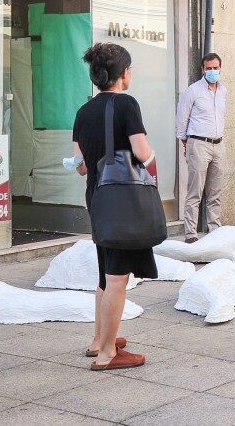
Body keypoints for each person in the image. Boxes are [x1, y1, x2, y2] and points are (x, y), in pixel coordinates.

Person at [72, 43, 154, 371]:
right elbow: (141, 150)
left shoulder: (83, 111)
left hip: (96, 197)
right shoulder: (126, 104)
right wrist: (150, 160)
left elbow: (81, 166)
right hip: (121, 199)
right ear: (122, 74)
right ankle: (108, 353)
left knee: (106, 274)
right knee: (118, 277)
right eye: (129, 69)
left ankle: (98, 339)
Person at [175, 53, 227, 243]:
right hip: (198, 143)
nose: (212, 71)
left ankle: (214, 231)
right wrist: (184, 141)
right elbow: (182, 117)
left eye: (215, 68)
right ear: (203, 69)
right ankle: (191, 234)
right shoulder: (193, 90)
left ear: (220, 68)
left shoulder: (223, 91)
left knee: (215, 192)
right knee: (195, 191)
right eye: (209, 68)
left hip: (219, 144)